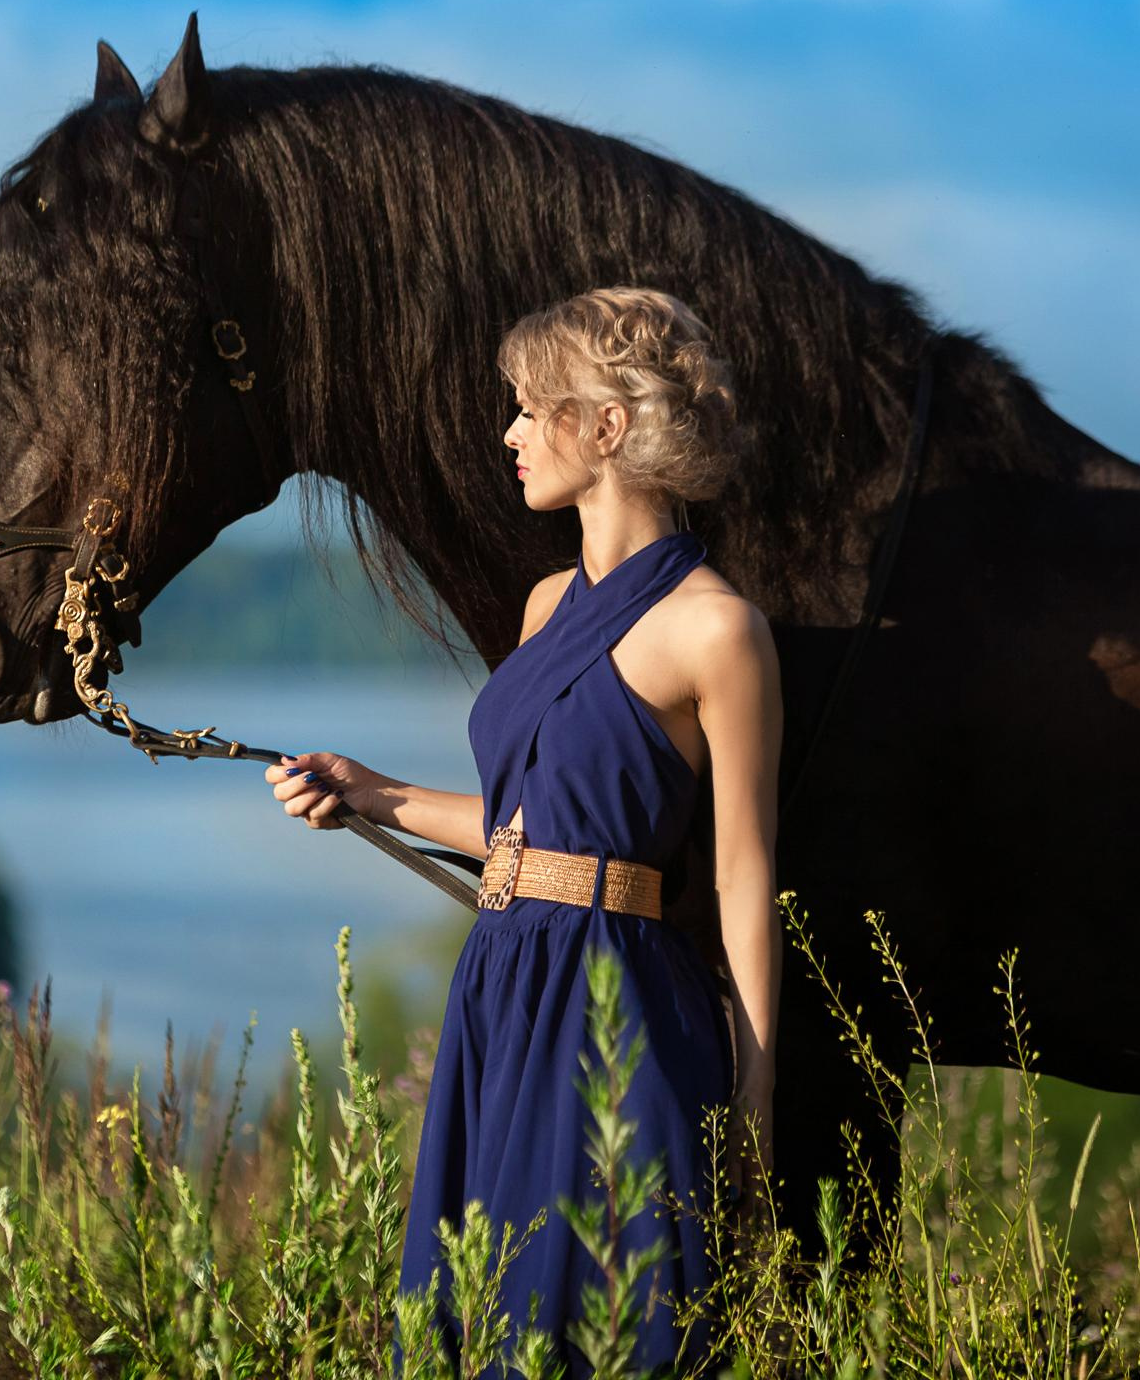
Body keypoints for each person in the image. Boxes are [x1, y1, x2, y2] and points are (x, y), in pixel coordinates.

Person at [264, 287, 783, 1376]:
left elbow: (743, 876)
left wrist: (756, 1095)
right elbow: (527, 834)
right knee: (478, 1309)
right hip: (501, 983)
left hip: (615, 1008)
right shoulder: (546, 603)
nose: (508, 433)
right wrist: (370, 791)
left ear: (605, 427)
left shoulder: (719, 629)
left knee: (590, 1320)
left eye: (530, 408)